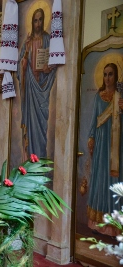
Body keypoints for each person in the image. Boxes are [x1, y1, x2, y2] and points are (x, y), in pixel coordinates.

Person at [87, 63, 123, 236]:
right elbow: (94, 119)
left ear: (116, 77)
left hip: (116, 145)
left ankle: (115, 224)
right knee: (100, 178)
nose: (107, 78)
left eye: (111, 74)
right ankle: (99, 223)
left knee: (113, 180)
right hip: (102, 145)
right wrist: (91, 137)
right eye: (105, 74)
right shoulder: (98, 96)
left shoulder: (120, 96)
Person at [17, 8, 56, 159]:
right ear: (32, 22)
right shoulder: (27, 42)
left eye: (41, 20)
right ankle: (30, 159)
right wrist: (24, 63)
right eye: (35, 20)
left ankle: (41, 161)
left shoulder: (48, 39)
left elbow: (54, 63)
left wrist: (49, 68)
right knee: (30, 125)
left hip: (42, 88)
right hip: (30, 89)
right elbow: (20, 67)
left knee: (41, 126)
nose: (38, 23)